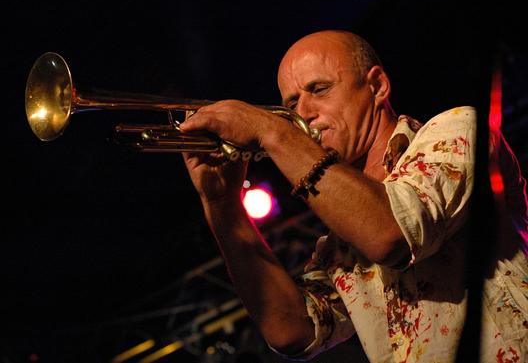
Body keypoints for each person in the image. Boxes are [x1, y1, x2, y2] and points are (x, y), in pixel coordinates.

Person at [179, 30, 528, 362]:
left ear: (377, 86)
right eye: (291, 103)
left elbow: (392, 234)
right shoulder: (342, 244)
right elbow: (292, 332)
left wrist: (270, 131)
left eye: (319, 89)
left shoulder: (459, 129)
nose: (302, 113)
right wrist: (223, 207)